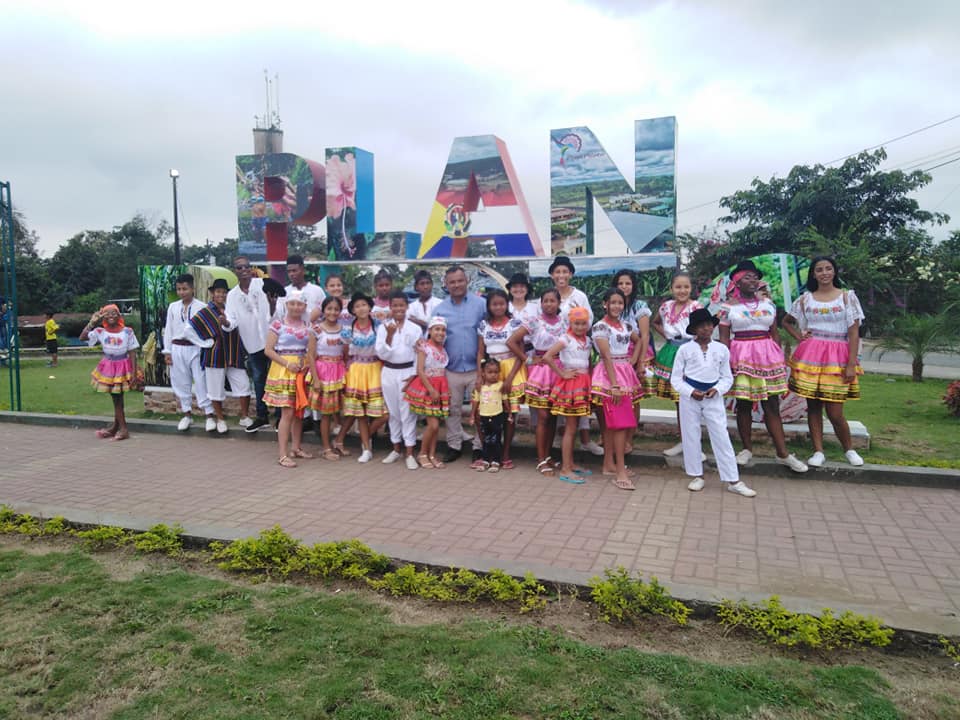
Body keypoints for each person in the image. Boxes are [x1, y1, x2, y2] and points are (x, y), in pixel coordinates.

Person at [718, 260, 808, 473]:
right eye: (747, 277)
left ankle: (783, 453)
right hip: (742, 358)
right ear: (736, 282)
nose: (753, 280)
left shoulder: (768, 304)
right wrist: (724, 364)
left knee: (772, 405)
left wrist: (779, 357)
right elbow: (724, 339)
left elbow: (774, 333)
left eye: (755, 277)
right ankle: (746, 449)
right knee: (744, 404)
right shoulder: (727, 308)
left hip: (768, 358)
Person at [783, 256, 865, 467]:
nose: (824, 273)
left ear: (834, 272)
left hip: (838, 357)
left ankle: (849, 449)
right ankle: (818, 451)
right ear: (813, 274)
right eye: (819, 269)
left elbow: (854, 332)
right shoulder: (805, 299)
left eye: (828, 268)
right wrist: (800, 336)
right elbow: (786, 321)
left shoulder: (847, 298)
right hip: (811, 356)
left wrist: (851, 364)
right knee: (813, 407)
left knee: (835, 411)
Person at [671, 308, 756, 497]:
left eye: (709, 325)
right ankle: (696, 475)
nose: (706, 329)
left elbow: (727, 377)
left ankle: (733, 479)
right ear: (694, 329)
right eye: (701, 326)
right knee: (691, 435)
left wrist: (717, 389)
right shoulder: (685, 349)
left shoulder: (721, 349)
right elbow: (676, 378)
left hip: (713, 396)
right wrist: (690, 391)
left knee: (721, 435)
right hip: (690, 396)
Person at [508, 288, 565, 476]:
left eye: (552, 301)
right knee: (543, 416)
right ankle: (540, 459)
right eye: (545, 301)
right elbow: (512, 341)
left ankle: (548, 455)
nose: (549, 304)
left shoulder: (564, 322)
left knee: (553, 415)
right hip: (541, 371)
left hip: (558, 369)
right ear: (541, 303)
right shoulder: (534, 321)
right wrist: (528, 359)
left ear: (558, 303)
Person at [548, 255, 602, 456]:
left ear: (570, 274)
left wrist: (578, 340)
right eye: (557, 272)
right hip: (556, 351)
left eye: (565, 271)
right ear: (552, 275)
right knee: (560, 400)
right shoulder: (550, 296)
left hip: (576, 350)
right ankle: (560, 440)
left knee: (580, 397)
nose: (561, 275)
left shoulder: (579, 296)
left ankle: (585, 441)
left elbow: (588, 320)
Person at [591, 289, 644, 490]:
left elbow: (639, 341)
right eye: (612, 302)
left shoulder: (626, 325)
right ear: (605, 304)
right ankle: (620, 471)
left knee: (613, 424)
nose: (616, 306)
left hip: (623, 373)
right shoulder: (600, 327)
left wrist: (632, 360)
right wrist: (614, 385)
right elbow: (606, 356)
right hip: (610, 376)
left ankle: (609, 465)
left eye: (620, 303)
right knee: (618, 424)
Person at [435, 265, 486, 466]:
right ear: (446, 285)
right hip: (451, 368)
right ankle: (454, 445)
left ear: (467, 281)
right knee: (452, 409)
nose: (456, 285)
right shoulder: (440, 309)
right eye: (452, 282)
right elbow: (433, 338)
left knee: (480, 408)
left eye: (460, 280)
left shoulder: (481, 305)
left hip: (477, 369)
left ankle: (479, 446)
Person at [651, 272, 703, 456]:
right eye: (678, 287)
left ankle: (694, 444)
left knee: (690, 399)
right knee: (678, 400)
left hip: (690, 352)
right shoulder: (666, 306)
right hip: (671, 352)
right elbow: (656, 322)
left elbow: (704, 329)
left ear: (691, 288)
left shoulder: (696, 307)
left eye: (686, 287)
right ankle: (684, 441)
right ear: (671, 288)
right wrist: (667, 335)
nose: (682, 291)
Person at [188, 278, 249, 434]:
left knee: (243, 385)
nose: (221, 295)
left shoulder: (232, 308)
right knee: (215, 389)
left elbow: (235, 325)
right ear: (212, 293)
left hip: (233, 353)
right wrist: (204, 343)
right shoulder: (206, 312)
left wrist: (226, 322)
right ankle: (220, 419)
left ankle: (244, 416)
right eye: (218, 292)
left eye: (224, 292)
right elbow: (188, 330)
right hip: (214, 355)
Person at [336, 292, 389, 463]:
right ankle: (366, 448)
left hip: (375, 369)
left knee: (384, 413)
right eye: (357, 306)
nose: (361, 308)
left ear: (370, 307)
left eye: (364, 305)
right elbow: (345, 354)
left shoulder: (380, 326)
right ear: (352, 310)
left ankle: (364, 435)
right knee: (360, 414)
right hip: (356, 370)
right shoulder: (348, 330)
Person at [543, 306, 594, 483]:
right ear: (570, 323)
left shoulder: (588, 340)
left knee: (575, 426)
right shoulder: (565, 338)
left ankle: (570, 463)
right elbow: (548, 356)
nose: (580, 327)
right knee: (570, 428)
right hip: (571, 385)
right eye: (576, 323)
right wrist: (562, 373)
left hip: (583, 383)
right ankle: (565, 469)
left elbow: (589, 361)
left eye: (583, 323)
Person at [477, 288, 526, 469]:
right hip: (490, 369)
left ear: (507, 304)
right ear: (489, 306)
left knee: (509, 413)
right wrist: (479, 375)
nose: (498, 307)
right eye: (494, 304)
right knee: (486, 410)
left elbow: (521, 353)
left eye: (502, 303)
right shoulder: (483, 325)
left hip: (511, 368)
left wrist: (510, 378)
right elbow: (480, 352)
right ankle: (488, 451)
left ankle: (505, 452)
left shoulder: (515, 324)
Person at [264, 290, 313, 468]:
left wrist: (306, 364)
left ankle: (296, 448)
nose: (295, 307)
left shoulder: (307, 325)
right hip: (284, 371)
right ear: (286, 305)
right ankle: (283, 454)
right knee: (287, 413)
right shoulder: (278, 325)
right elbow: (268, 350)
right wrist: (286, 364)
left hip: (300, 371)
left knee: (299, 412)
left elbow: (310, 349)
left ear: (304, 306)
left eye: (299, 304)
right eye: (292, 303)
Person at [161, 273, 214, 432]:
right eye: (179, 289)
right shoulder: (173, 307)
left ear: (192, 289)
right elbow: (169, 330)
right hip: (177, 348)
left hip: (196, 348)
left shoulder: (202, 307)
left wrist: (206, 346)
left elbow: (207, 330)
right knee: (181, 382)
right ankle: (187, 414)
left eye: (185, 289)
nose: (182, 292)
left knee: (201, 381)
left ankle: (209, 415)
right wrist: (167, 351)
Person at [80, 304, 139, 441]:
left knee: (118, 398)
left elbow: (132, 352)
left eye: (114, 313)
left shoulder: (127, 332)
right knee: (116, 398)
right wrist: (92, 322)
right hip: (109, 368)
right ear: (103, 317)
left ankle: (123, 429)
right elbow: (82, 337)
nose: (111, 316)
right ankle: (116, 427)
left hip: (123, 368)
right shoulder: (100, 331)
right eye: (107, 313)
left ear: (119, 316)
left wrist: (134, 372)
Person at [375, 290, 421, 470]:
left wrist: (415, 375)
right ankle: (396, 449)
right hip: (389, 371)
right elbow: (381, 353)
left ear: (407, 306)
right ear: (390, 307)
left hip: (408, 371)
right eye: (395, 306)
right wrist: (389, 335)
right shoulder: (383, 327)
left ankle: (409, 452)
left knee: (407, 412)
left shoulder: (415, 329)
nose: (398, 309)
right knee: (393, 412)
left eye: (401, 305)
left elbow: (419, 353)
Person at [225, 256, 271, 432]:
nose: (243, 270)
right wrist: (225, 322)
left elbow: (279, 305)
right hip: (252, 343)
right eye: (239, 268)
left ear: (251, 268)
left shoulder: (263, 284)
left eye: (246, 266)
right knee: (259, 379)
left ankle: (281, 416)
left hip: (273, 340)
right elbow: (231, 320)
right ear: (235, 271)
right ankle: (262, 416)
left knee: (278, 379)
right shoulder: (232, 295)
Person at [405, 316, 451, 468]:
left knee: (436, 423)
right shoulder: (424, 347)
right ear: (430, 331)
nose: (440, 332)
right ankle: (422, 453)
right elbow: (420, 370)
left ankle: (432, 454)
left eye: (443, 330)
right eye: (437, 329)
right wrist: (431, 390)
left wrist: (446, 390)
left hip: (440, 386)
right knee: (433, 425)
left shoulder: (442, 348)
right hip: (428, 387)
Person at [306, 296, 348, 461]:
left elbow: (345, 353)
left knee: (340, 410)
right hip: (323, 373)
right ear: (323, 310)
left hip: (339, 372)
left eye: (336, 309)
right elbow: (311, 355)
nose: (332, 312)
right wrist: (316, 379)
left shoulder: (344, 330)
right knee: (326, 413)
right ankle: (326, 447)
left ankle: (339, 441)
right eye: (329, 308)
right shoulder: (316, 330)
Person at [612, 269, 653, 393]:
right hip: (618, 353)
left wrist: (640, 362)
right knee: (620, 389)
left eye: (628, 283)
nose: (624, 286)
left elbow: (645, 335)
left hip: (637, 351)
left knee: (635, 391)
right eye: (620, 283)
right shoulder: (612, 306)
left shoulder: (639, 306)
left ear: (633, 285)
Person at [471, 358, 510, 472]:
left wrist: (509, 413)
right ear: (483, 373)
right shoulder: (479, 387)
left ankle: (496, 461)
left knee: (496, 439)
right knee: (486, 439)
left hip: (497, 416)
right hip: (484, 416)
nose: (493, 375)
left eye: (496, 372)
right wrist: (472, 415)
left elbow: (505, 400)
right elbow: (476, 401)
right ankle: (486, 460)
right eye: (490, 372)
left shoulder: (501, 385)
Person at [275, 255, 326, 322]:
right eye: (289, 271)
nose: (291, 274)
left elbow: (326, 313)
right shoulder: (284, 292)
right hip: (289, 328)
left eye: (294, 271)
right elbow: (279, 316)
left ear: (303, 270)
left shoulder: (317, 290)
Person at [406, 269, 442, 335]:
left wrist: (417, 321)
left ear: (432, 285)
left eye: (428, 283)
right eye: (422, 284)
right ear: (416, 287)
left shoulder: (440, 304)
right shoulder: (411, 307)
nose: (426, 287)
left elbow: (440, 327)